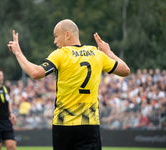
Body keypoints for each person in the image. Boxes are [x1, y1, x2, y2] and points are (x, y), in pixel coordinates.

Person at [7, 19, 130, 150]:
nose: (55, 41)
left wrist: (18, 52)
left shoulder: (60, 54)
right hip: (89, 125)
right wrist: (109, 52)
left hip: (63, 124)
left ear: (67, 35)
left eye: (56, 36)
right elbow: (125, 70)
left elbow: (35, 73)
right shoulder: (96, 54)